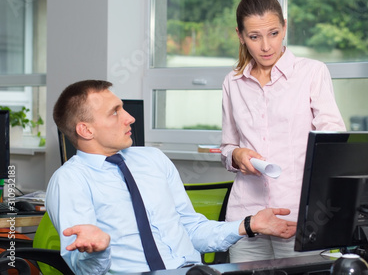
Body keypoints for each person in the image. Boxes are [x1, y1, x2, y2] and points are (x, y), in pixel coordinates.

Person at [46, 80, 297, 275]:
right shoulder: (69, 181)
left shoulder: (153, 159)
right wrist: (97, 251)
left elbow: (192, 230)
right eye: (115, 112)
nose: (129, 117)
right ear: (85, 129)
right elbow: (84, 270)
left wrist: (250, 224)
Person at [221, 0, 346, 262]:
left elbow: (332, 146)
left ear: (285, 27)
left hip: (298, 218)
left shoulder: (312, 73)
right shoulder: (233, 82)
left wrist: (314, 213)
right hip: (248, 218)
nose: (266, 46)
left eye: (274, 33)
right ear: (240, 36)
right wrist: (236, 155)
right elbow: (228, 145)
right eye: (254, 37)